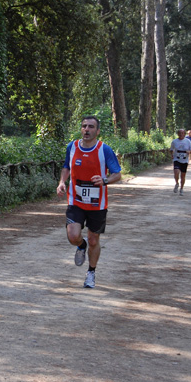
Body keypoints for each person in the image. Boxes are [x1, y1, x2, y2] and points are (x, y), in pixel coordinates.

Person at [56, 116, 122, 289]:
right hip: (75, 200)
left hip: (97, 204)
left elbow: (117, 173)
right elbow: (66, 167)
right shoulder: (72, 147)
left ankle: (91, 273)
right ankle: (81, 245)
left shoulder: (104, 150)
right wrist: (62, 182)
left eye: (91, 127)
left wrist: (105, 180)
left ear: (97, 131)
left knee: (94, 240)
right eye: (84, 126)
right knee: (73, 236)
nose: (87, 129)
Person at [170, 129, 191, 196]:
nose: (181, 134)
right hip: (176, 159)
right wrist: (172, 154)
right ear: (178, 134)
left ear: (184, 134)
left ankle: (182, 188)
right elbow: (171, 149)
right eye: (180, 133)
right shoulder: (174, 141)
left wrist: (189, 152)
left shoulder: (188, 141)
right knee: (176, 172)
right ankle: (177, 183)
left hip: (184, 160)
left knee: (183, 175)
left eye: (182, 133)